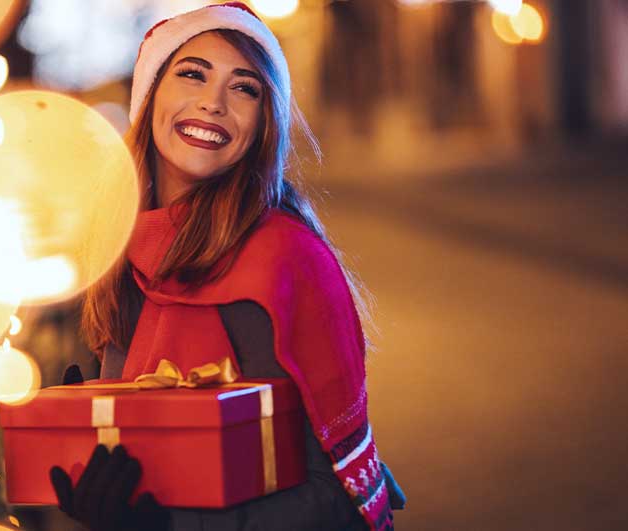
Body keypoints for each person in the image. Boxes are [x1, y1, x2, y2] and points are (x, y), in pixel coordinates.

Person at [49, 3, 404, 530]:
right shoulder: (122, 252)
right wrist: (85, 457)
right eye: (192, 74)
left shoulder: (285, 260)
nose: (213, 103)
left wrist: (172, 527)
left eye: (244, 88)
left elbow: (338, 497)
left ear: (265, 121)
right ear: (150, 96)